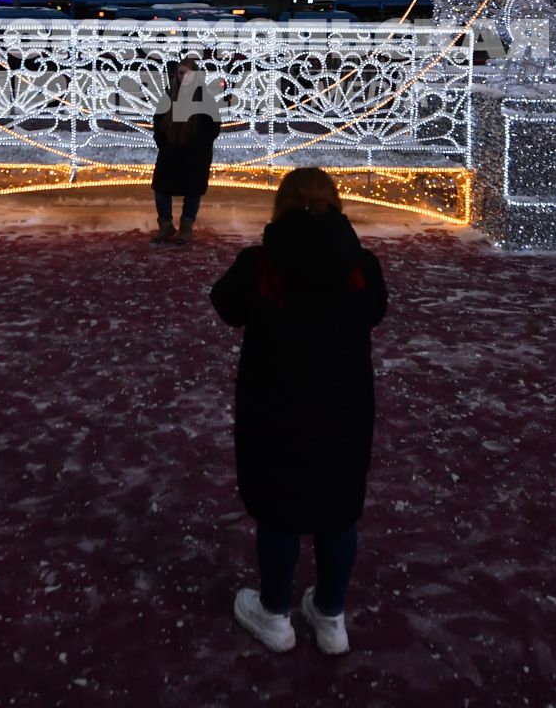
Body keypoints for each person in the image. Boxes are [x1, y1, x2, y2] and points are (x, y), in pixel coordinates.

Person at [211, 168, 387, 656]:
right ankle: (330, 618)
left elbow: (224, 305)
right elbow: (375, 310)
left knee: (279, 511)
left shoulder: (261, 265)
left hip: (276, 406)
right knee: (338, 513)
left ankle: (274, 615)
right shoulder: (361, 267)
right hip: (343, 410)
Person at [152, 57, 220, 244]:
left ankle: (186, 228)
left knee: (192, 191)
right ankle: (166, 225)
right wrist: (164, 144)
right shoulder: (169, 95)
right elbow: (158, 122)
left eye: (188, 73)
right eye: (181, 73)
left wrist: (199, 146)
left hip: (194, 155)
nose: (184, 77)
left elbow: (213, 126)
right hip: (171, 153)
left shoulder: (204, 98)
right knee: (161, 188)